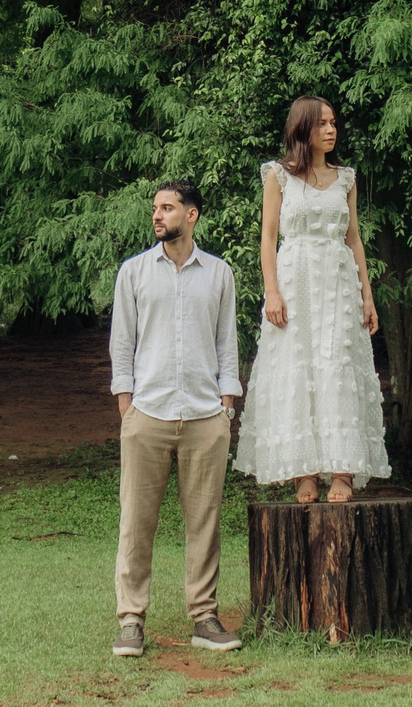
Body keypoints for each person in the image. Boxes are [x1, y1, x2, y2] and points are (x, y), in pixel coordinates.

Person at [107, 179, 243, 659]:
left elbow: (228, 342)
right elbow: (122, 345)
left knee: (204, 522)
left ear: (192, 216)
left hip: (206, 417)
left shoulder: (220, 274)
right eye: (154, 209)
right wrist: (128, 411)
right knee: (135, 522)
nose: (157, 215)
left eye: (167, 208)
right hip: (149, 414)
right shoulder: (135, 272)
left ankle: (204, 617)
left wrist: (227, 406)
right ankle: (130, 621)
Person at [234, 96, 391, 503]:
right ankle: (303, 474)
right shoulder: (279, 175)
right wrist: (272, 290)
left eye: (333, 123)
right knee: (297, 365)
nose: (330, 130)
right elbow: (268, 237)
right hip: (295, 277)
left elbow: (353, 238)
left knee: (338, 364)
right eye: (322, 124)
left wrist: (367, 296)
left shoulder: (346, 178)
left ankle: (342, 472)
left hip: (337, 282)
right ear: (303, 128)